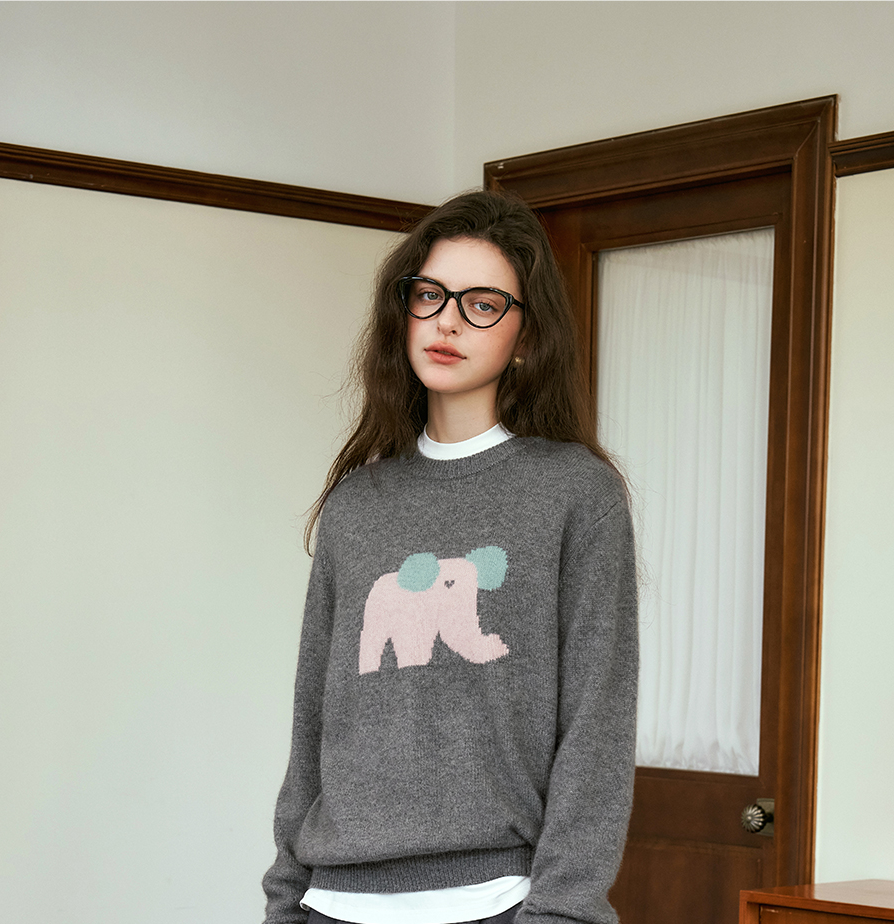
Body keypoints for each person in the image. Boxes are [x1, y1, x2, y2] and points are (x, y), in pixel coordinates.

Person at [262, 190, 638, 924]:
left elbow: (597, 726)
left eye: (483, 304)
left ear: (527, 337)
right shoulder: (356, 505)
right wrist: (285, 900)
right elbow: (313, 723)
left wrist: (561, 912)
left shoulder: (575, 494)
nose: (448, 321)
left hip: (497, 902)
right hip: (334, 903)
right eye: (430, 295)